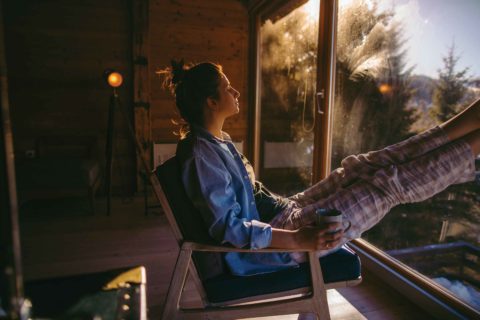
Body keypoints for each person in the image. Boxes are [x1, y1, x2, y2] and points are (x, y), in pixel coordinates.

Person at [159, 60, 480, 277]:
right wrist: (299, 239)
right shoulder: (201, 154)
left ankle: (465, 125)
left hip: (284, 212)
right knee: (385, 186)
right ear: (211, 102)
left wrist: (291, 213)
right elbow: (229, 229)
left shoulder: (218, 141)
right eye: (227, 88)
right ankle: (475, 142)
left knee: (360, 167)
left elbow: (249, 200)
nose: (235, 92)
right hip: (270, 248)